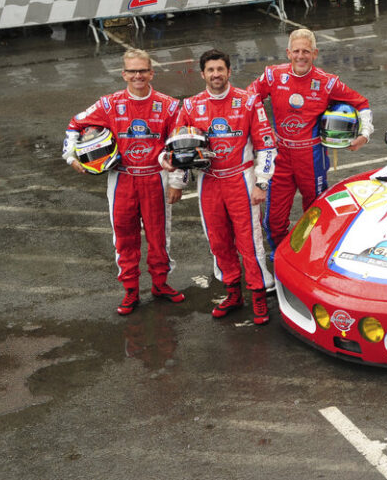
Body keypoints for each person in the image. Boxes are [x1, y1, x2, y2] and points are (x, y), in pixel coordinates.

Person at [62, 49, 183, 315]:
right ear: (123, 74)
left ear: (152, 72)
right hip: (122, 179)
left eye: (142, 70)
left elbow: (178, 146)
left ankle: (160, 284)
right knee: (124, 237)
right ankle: (130, 290)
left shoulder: (170, 105)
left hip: (155, 179)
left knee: (159, 236)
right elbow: (75, 124)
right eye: (132, 71)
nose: (137, 76)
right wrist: (71, 157)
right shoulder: (108, 104)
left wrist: (177, 182)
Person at [173, 49, 277, 324]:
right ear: (203, 74)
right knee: (218, 240)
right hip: (208, 182)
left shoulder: (249, 101)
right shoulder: (191, 105)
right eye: (211, 70)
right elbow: (174, 147)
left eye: (220, 69)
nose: (216, 74)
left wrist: (262, 183)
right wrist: (176, 178)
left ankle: (257, 295)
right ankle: (233, 293)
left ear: (229, 71)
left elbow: (266, 145)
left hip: (241, 180)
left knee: (250, 241)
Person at [247, 30, 372, 252]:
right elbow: (248, 98)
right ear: (288, 53)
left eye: (306, 51)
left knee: (314, 212)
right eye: (296, 51)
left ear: (315, 53)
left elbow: (362, 103)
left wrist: (364, 134)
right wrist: (260, 129)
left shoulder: (327, 82)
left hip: (312, 157)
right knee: (274, 218)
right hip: (280, 156)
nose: (301, 56)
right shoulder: (273, 75)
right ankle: (280, 255)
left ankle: (309, 255)